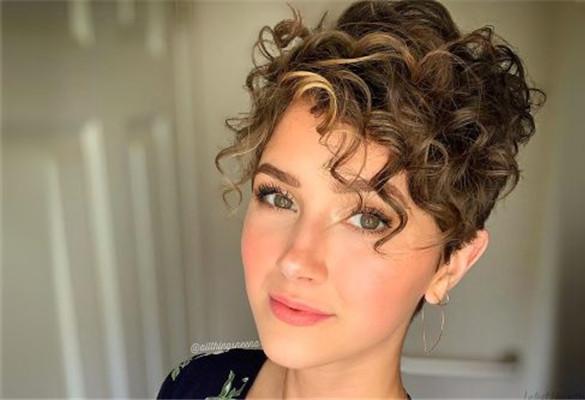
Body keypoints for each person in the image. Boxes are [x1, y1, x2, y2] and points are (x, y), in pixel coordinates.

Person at [157, 0, 546, 398]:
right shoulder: (191, 384)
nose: (295, 261)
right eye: (279, 198)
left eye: (367, 219)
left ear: (451, 265)